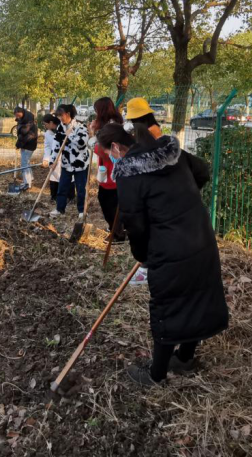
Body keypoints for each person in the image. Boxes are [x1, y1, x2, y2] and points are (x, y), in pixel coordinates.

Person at [98, 122, 228, 387]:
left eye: (108, 153)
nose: (110, 158)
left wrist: (142, 255)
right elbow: (202, 171)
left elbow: (135, 224)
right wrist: (183, 203)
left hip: (169, 248)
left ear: (115, 147)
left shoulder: (128, 174)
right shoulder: (170, 153)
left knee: (168, 307)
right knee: (197, 296)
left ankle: (156, 375)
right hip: (200, 235)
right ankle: (185, 358)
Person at [90, 98, 125, 242]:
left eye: (97, 110)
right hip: (109, 168)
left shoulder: (111, 127)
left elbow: (105, 152)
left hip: (113, 169)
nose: (96, 113)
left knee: (108, 202)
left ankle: (118, 234)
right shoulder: (110, 124)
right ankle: (116, 227)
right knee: (109, 200)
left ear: (102, 111)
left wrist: (93, 136)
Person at [49, 104, 90, 218]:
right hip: (66, 163)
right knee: (62, 187)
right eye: (58, 116)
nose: (59, 118)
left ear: (68, 114)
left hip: (80, 163)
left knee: (81, 188)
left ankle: (82, 211)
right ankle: (59, 209)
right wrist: (52, 160)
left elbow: (82, 143)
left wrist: (70, 134)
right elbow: (56, 144)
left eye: (61, 115)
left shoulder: (80, 126)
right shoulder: (60, 127)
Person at [11, 106, 38, 193]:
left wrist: (18, 144)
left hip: (28, 145)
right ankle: (30, 178)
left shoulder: (28, 123)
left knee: (24, 164)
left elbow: (26, 136)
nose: (17, 117)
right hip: (26, 144)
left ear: (22, 112)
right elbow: (22, 134)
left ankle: (27, 183)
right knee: (27, 162)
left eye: (18, 115)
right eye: (16, 115)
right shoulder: (23, 119)